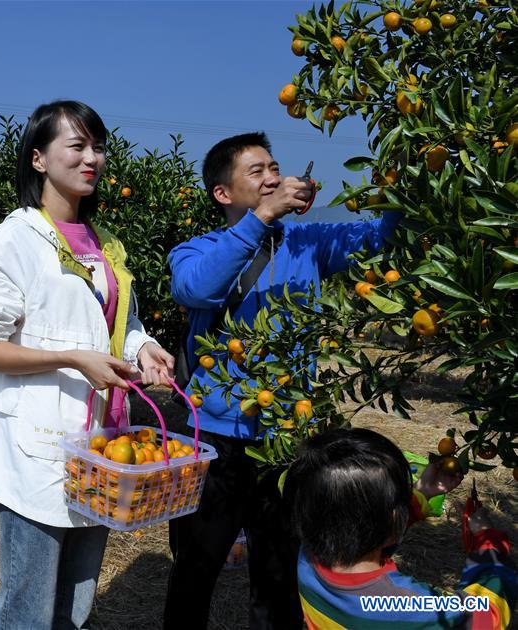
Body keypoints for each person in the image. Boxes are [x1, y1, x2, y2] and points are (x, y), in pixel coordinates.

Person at [165, 132, 402, 629]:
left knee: (277, 573)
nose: (272, 177)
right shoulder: (195, 250)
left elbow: (382, 239)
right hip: (213, 440)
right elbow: (197, 290)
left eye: (274, 167)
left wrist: (404, 183)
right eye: (256, 172)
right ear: (223, 194)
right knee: (195, 566)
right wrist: (264, 217)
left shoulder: (308, 243)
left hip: (284, 439)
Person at [0, 100, 174, 629]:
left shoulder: (105, 245)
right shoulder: (13, 240)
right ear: (39, 159)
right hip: (34, 443)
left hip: (98, 442)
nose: (92, 159)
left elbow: (113, 325)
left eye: (98, 147)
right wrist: (73, 359)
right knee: (28, 603)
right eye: (77, 146)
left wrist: (140, 347)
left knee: (76, 598)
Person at [287, 428, 516, 628]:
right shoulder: (396, 605)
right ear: (391, 521)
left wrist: (423, 493)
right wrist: (489, 545)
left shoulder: (309, 557)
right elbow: (487, 617)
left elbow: (359, 527)